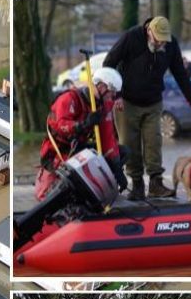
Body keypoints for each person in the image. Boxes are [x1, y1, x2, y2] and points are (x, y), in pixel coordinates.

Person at [103, 16, 191, 201]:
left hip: (153, 101)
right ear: (149, 32)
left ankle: (155, 184)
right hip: (127, 102)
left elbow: (180, 73)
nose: (161, 44)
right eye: (158, 40)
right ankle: (137, 184)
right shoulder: (131, 37)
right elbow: (109, 63)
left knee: (154, 142)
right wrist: (116, 95)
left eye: (164, 41)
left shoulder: (170, 45)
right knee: (129, 144)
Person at [35, 67, 125, 201]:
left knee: (123, 152)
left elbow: (108, 139)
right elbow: (61, 125)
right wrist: (83, 124)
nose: (112, 97)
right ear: (101, 86)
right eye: (111, 93)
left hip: (80, 148)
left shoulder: (103, 106)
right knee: (51, 194)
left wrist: (117, 169)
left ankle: (101, 193)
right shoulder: (70, 98)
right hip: (58, 152)